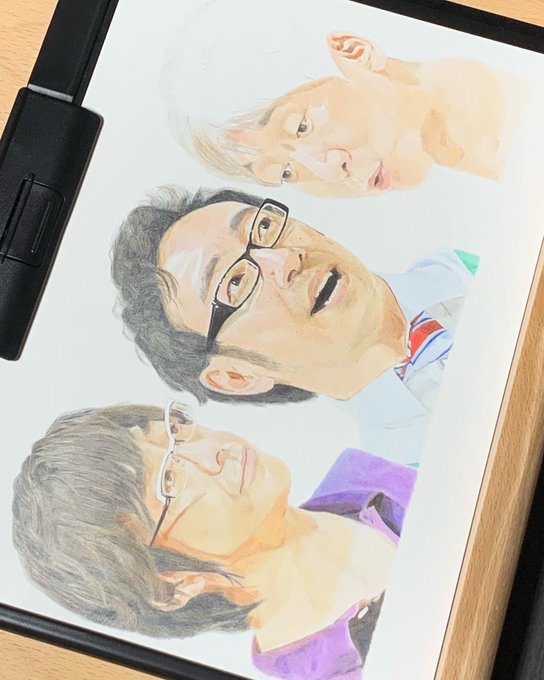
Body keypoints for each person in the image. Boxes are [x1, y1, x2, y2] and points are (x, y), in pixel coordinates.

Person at [12, 402, 417, 679]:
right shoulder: (334, 669)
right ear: (173, 585)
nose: (212, 452)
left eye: (175, 431)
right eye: (170, 481)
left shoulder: (371, 469)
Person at [111, 187, 478, 462]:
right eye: (235, 283)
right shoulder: (396, 478)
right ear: (236, 376)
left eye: (264, 227)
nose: (285, 260)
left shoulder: (480, 251)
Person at [162, 0, 525, 198]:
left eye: (301, 127)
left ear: (354, 53)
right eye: (286, 172)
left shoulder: (503, 105)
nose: (328, 171)